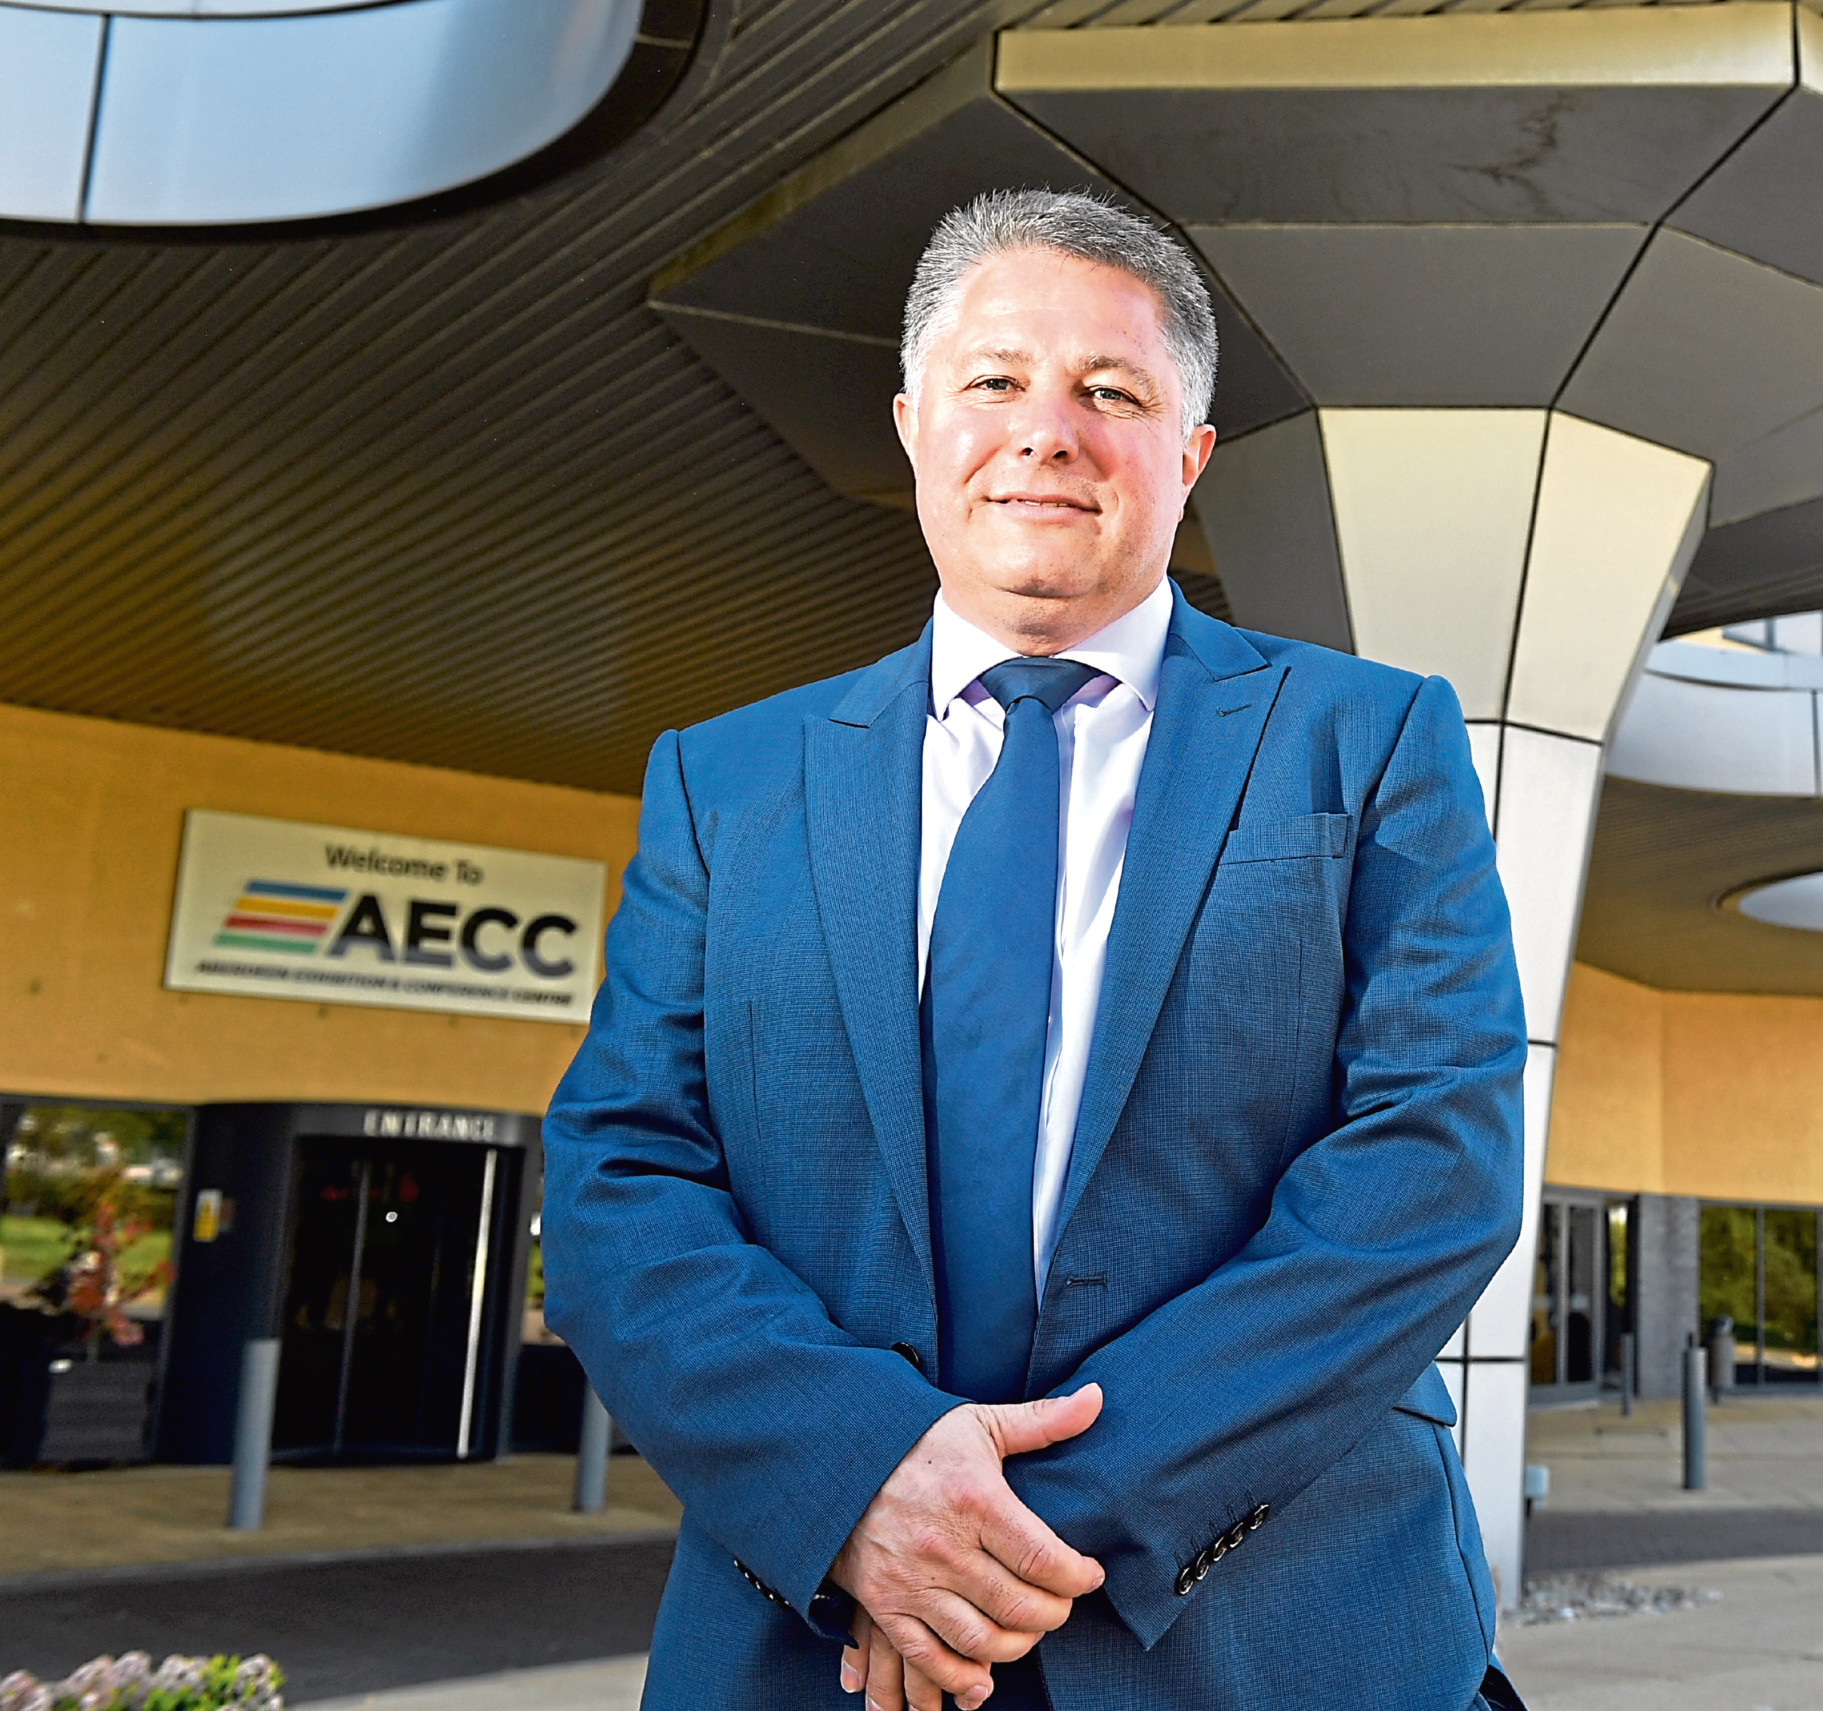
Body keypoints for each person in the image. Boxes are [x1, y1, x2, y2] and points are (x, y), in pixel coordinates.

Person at [543, 189, 1528, 1711]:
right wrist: (853, 1484)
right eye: (995, 380)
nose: (1046, 431)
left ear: (1188, 456)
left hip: (1282, 1639)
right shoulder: (724, 782)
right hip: (809, 1643)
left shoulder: (1372, 740)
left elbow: (1435, 1165)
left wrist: (998, 1539)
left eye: (1111, 392)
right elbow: (623, 1180)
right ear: (912, 424)